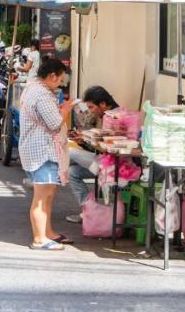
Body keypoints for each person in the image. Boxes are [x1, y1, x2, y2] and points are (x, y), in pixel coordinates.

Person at [18, 57, 76, 250]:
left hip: (40, 150)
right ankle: (39, 238)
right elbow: (54, 123)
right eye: (60, 79)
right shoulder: (42, 94)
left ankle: (48, 232)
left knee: (49, 194)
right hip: (42, 152)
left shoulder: (33, 89)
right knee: (42, 196)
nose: (60, 84)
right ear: (52, 76)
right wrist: (66, 110)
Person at [64, 85, 119, 223]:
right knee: (72, 172)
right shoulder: (107, 115)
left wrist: (86, 139)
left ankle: (52, 176)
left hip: (114, 164)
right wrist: (84, 140)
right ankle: (88, 211)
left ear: (103, 104)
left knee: (68, 152)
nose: (91, 111)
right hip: (103, 160)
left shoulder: (115, 117)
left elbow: (108, 147)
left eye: (92, 107)